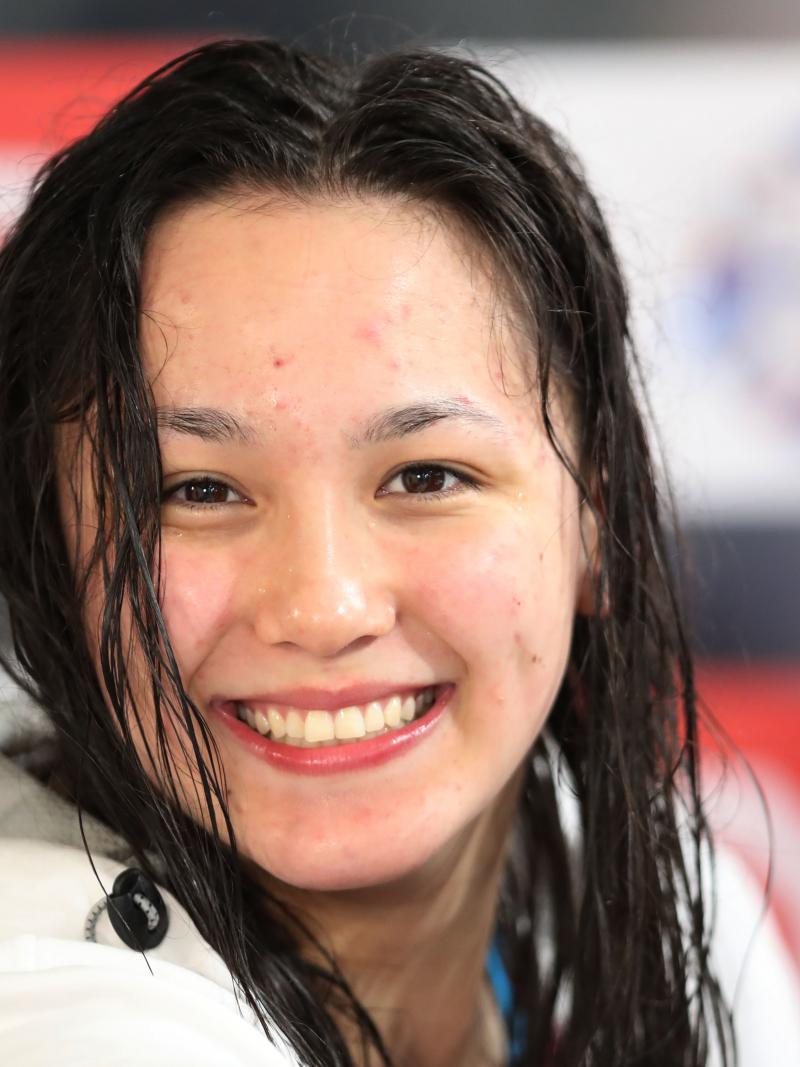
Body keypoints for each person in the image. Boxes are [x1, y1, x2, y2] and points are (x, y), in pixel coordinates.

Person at [0, 37, 740, 1067]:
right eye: (197, 490)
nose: (323, 603)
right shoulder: (54, 1006)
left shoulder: (673, 903)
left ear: (595, 526)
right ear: (50, 552)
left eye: (426, 476)